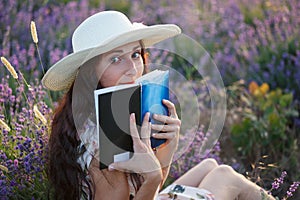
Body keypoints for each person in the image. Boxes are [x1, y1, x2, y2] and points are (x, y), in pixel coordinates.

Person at [42, 10, 275, 200]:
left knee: (210, 164)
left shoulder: (103, 114)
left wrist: (167, 149)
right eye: (115, 59)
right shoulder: (103, 143)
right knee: (225, 176)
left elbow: (144, 188)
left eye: (135, 54)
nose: (132, 69)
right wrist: (152, 177)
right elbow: (148, 185)